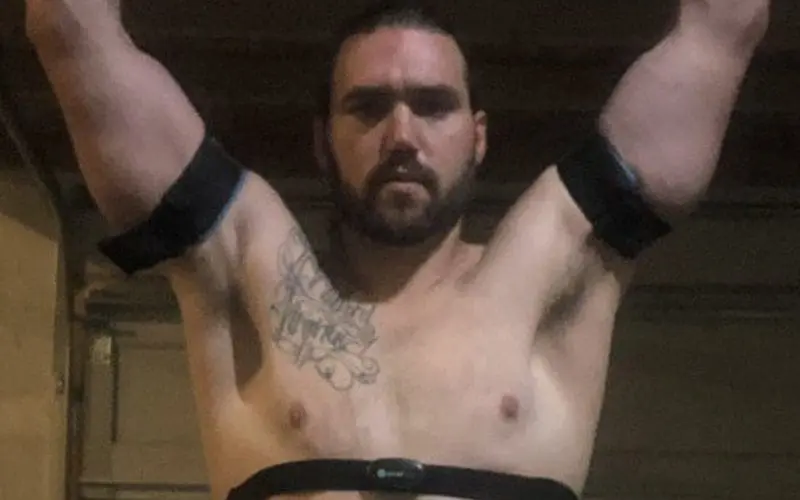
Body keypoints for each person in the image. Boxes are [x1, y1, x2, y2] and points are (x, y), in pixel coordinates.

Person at [25, 0, 770, 498]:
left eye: (434, 105)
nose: (403, 136)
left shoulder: (554, 265)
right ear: (323, 139)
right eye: (369, 107)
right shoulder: (247, 263)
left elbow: (724, 24)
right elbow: (67, 25)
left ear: (477, 135)